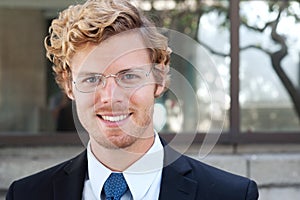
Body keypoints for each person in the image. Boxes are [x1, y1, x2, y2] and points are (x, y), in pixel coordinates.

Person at [6, 0, 259, 199]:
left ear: (159, 80)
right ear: (68, 86)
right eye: (92, 79)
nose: (111, 97)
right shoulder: (27, 195)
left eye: (128, 76)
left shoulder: (231, 195)